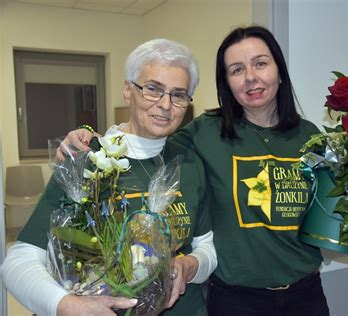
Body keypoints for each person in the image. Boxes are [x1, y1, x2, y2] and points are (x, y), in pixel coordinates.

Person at [58, 25, 329, 315]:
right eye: (236, 70)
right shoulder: (206, 131)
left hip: (306, 294)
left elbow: (324, 214)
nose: (250, 77)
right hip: (237, 300)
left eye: (260, 63)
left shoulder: (310, 136)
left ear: (279, 69)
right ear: (226, 82)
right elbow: (144, 140)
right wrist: (90, 136)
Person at [2, 38, 217, 316]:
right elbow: (19, 261)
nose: (165, 105)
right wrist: (66, 306)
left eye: (178, 95)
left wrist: (191, 266)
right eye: (153, 89)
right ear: (128, 90)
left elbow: (207, 247)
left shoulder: (188, 163)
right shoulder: (85, 158)